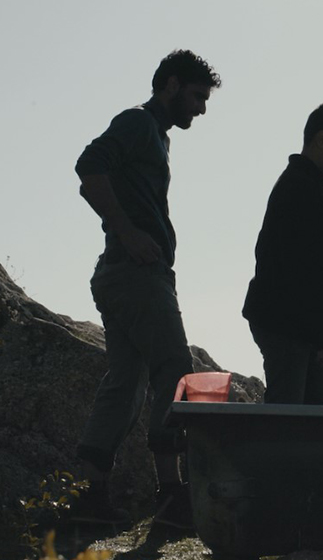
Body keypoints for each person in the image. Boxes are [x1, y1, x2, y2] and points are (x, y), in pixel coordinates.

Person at [72, 49, 221, 528]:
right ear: (172, 85)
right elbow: (88, 167)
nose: (201, 109)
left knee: (125, 381)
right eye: (198, 97)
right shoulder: (138, 122)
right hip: (134, 275)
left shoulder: (155, 134)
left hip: (121, 274)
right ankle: (172, 496)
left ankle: (88, 497)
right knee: (176, 370)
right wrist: (127, 230)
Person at [243, 102, 323, 404]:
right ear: (322, 139)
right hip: (288, 326)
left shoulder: (301, 188)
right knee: (289, 418)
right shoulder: (300, 191)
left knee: (317, 418)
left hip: (294, 326)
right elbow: (308, 272)